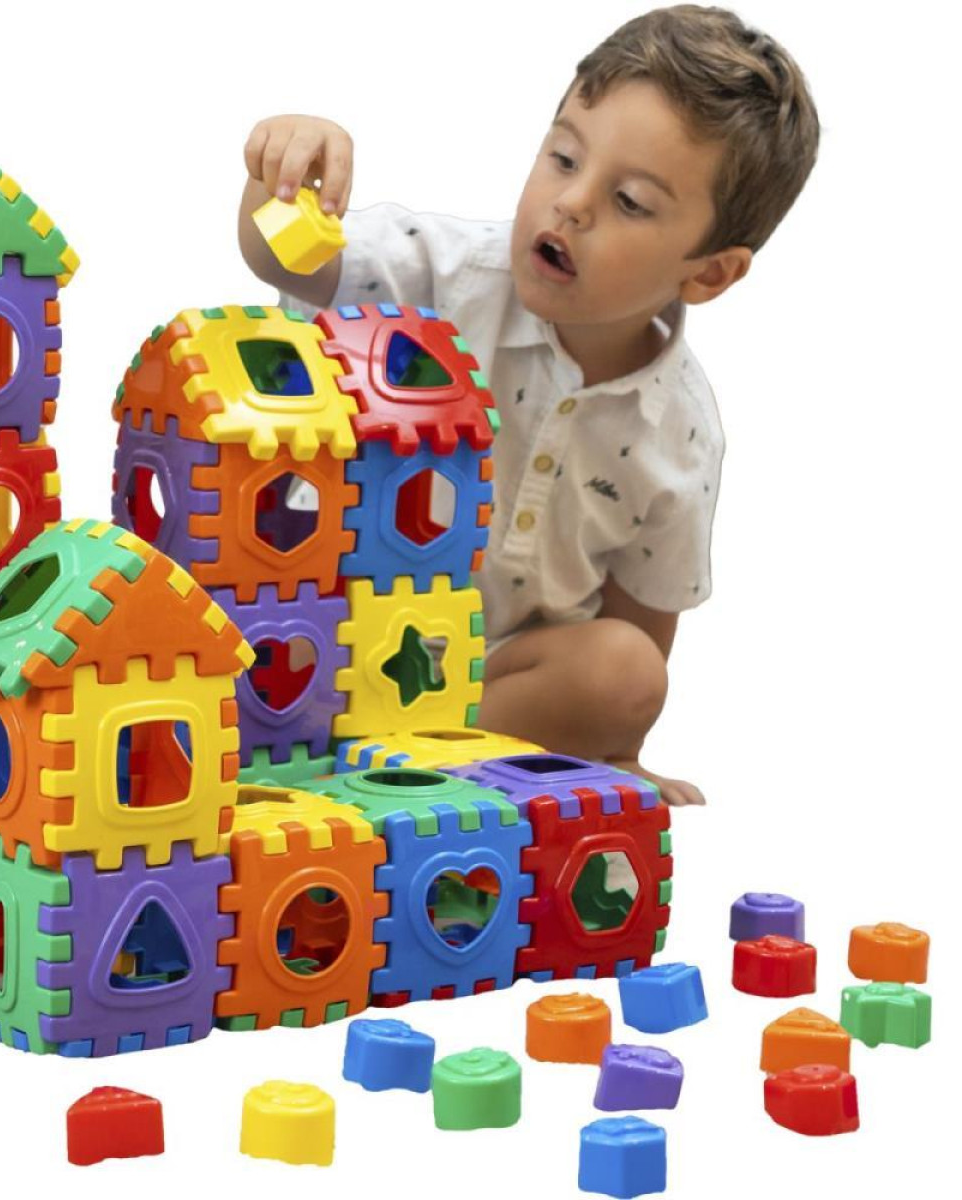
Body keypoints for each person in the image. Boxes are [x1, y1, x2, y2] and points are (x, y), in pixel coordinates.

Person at [237, 5, 819, 805]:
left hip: (493, 687)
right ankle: (338, 754)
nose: (571, 202)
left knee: (626, 672)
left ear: (708, 273)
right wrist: (281, 174)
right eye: (564, 157)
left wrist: (619, 753)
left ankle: (387, 768)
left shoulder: (679, 432)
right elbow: (289, 261)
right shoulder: (438, 276)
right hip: (331, 642)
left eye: (631, 202)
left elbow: (640, 621)